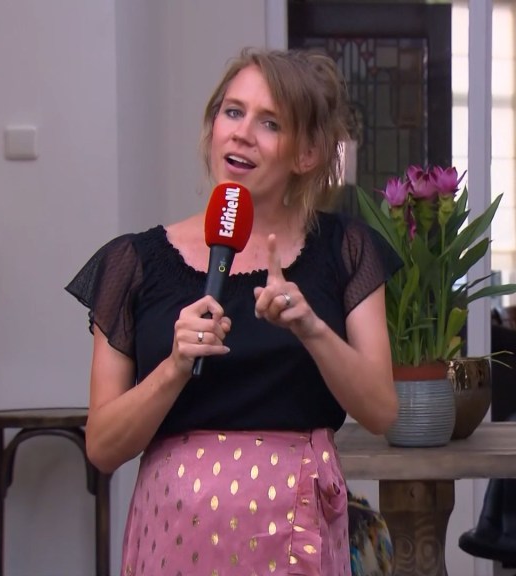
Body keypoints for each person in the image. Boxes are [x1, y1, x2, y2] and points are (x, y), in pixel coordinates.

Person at [65, 47, 400, 576]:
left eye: (270, 123)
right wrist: (174, 367)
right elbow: (103, 447)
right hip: (174, 540)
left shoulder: (345, 248)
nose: (242, 133)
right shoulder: (133, 262)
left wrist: (312, 329)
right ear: (212, 127)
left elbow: (381, 411)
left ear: (307, 153)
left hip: (297, 540)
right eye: (233, 111)